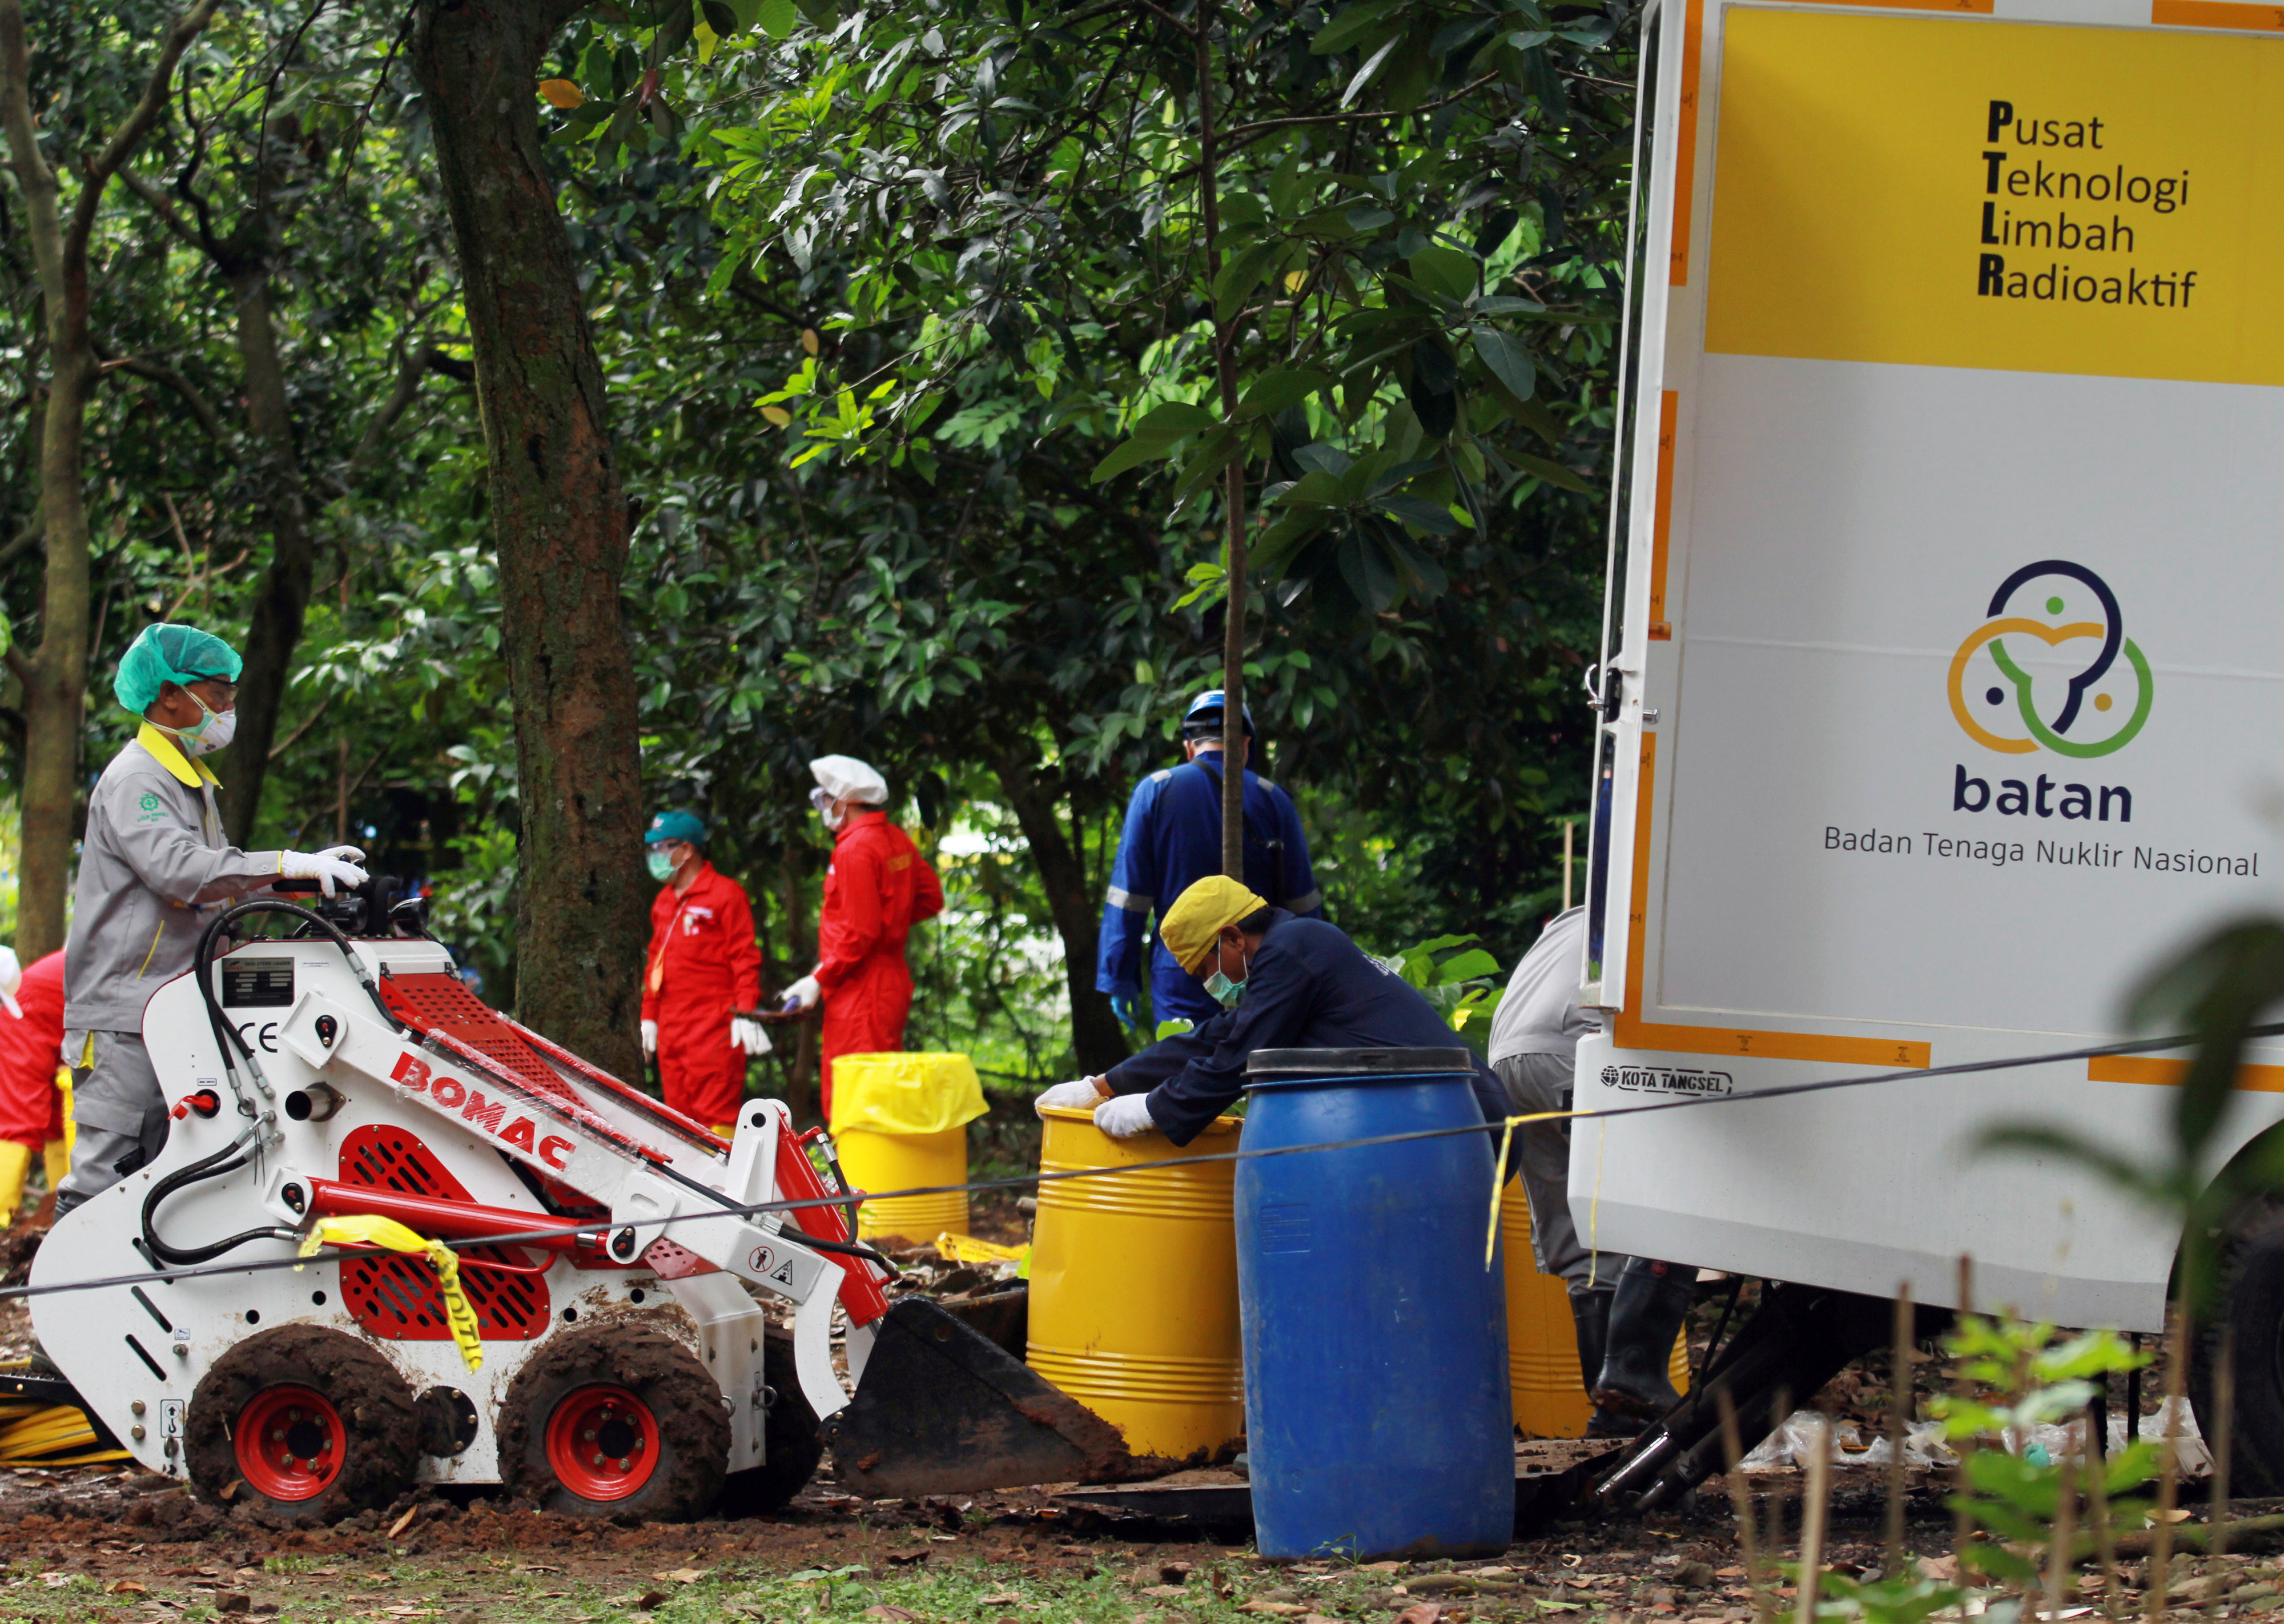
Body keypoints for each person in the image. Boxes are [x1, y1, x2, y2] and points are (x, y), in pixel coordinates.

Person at [58, 623, 368, 1212]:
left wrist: (292, 877)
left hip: (173, 1002)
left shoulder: (188, 778)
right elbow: (182, 872)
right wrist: (280, 861)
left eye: (230, 693)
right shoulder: (137, 779)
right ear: (169, 695)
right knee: (105, 1176)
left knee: (165, 1170)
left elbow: (215, 881)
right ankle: (61, 1297)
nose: (228, 706)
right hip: (125, 1009)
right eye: (216, 693)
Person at [1042, 875, 1509, 1144]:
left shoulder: (1292, 953)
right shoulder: (1294, 951)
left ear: (1232, 937)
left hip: (1456, 1125)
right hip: (1443, 1123)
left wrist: (1154, 1109)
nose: (1208, 984)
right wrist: (1099, 1086)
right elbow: (1216, 1037)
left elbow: (1238, 1058)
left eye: (1205, 968)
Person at [1488, 906, 1696, 1432]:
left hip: (1509, 1060)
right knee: (1671, 1188)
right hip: (1575, 1054)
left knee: (1587, 1240)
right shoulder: (1666, 912)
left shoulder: (1586, 912)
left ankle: (1613, 1416)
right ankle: (1630, 1378)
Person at [1096, 690, 1323, 1032]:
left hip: (1184, 970)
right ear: (1246, 744)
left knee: (1184, 1072)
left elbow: (1129, 897)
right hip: (1260, 967)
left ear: (1190, 746)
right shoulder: (1273, 799)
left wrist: (1118, 976)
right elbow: (1303, 903)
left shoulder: (1156, 790)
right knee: (1259, 1071)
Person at [777, 756, 943, 1118]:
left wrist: (819, 978)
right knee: (878, 1085)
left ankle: (855, 1174)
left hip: (859, 987)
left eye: (825, 800)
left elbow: (861, 933)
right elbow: (931, 898)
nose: (824, 810)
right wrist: (891, 922)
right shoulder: (895, 838)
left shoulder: (854, 849)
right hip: (887, 980)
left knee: (856, 1094)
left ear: (845, 802)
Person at [638, 810, 769, 1137]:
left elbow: (745, 958)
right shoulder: (664, 902)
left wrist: (746, 1012)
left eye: (663, 848)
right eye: (653, 849)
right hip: (671, 1028)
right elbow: (656, 960)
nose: (656, 856)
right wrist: (649, 1016)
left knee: (717, 1115)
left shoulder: (726, 894)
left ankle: (721, 1186)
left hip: (714, 1027)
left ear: (687, 849)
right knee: (678, 1121)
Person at [0, 947, 67, 1218]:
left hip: (42, 1011)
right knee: (18, 1117)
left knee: (55, 1117)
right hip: (31, 1013)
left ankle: (64, 1210)